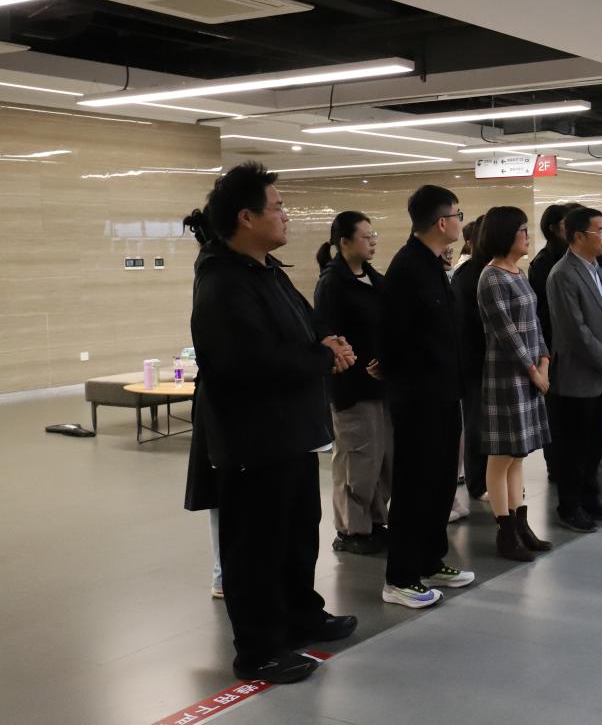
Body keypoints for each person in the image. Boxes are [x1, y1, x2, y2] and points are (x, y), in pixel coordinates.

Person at [183, 162, 356, 684]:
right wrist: (323, 357)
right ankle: (258, 650)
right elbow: (251, 362)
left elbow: (307, 321)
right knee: (255, 548)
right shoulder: (222, 283)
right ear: (246, 217)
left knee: (296, 535)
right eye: (277, 207)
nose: (285, 216)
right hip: (253, 441)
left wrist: (328, 341)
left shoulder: (265, 270)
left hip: (290, 433)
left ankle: (300, 616)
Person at [378, 185, 475, 609]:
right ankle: (400, 577)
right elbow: (394, 336)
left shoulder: (433, 264)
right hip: (418, 398)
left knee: (439, 483)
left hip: (444, 393)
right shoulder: (407, 268)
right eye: (457, 215)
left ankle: (429, 560)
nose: (459, 221)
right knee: (414, 486)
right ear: (441, 222)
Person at [476, 207, 554, 560]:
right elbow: (506, 333)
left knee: (518, 453)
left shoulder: (518, 273)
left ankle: (521, 523)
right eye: (521, 229)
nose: (527, 235)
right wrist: (533, 370)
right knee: (501, 455)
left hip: (530, 372)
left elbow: (534, 324)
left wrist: (545, 360)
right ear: (505, 234)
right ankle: (506, 531)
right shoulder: (491, 277)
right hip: (507, 376)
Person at [314, 212, 392, 555]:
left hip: (380, 386)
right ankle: (350, 530)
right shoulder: (332, 283)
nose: (372, 241)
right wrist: (357, 365)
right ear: (344, 242)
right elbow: (328, 336)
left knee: (379, 460)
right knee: (356, 460)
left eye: (374, 235)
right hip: (351, 388)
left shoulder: (375, 279)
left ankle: (374, 522)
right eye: (365, 236)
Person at [546, 206, 602, 532]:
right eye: (600, 231)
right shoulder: (563, 274)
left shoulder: (597, 268)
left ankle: (590, 499)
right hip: (577, 376)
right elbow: (575, 331)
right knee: (573, 447)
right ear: (579, 236)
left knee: (594, 444)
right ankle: (569, 506)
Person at [528, 202, 577, 480]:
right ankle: (556, 464)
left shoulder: (575, 258)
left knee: (572, 411)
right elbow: (541, 313)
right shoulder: (544, 263)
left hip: (573, 348)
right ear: (553, 228)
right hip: (552, 347)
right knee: (555, 411)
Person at [450, 216, 489, 504]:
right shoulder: (467, 274)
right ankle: (478, 482)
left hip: (489, 361)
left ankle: (490, 478)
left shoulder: (490, 269)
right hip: (475, 361)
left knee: (489, 424)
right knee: (477, 423)